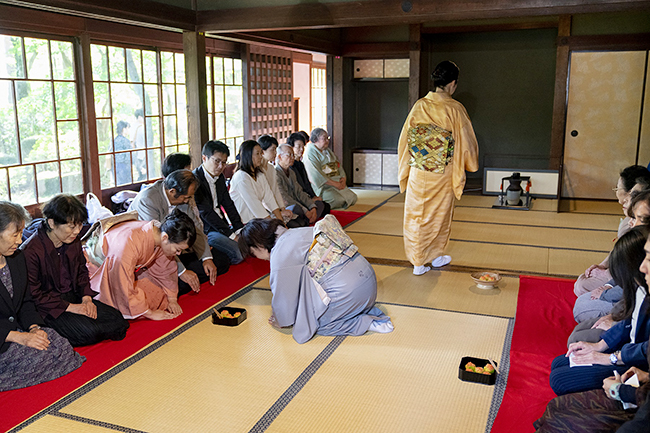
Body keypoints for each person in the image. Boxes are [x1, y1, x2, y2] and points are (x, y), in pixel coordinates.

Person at [238, 217, 393, 344]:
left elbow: (283, 296)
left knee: (315, 325)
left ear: (258, 245)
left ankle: (365, 323)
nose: (260, 259)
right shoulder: (302, 231)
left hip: (350, 293)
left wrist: (280, 319)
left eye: (254, 254)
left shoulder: (279, 254)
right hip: (370, 284)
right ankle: (365, 311)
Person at [397, 60, 479, 276]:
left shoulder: (419, 105)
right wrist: (470, 163)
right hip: (442, 172)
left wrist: (406, 165)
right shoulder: (455, 109)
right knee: (438, 216)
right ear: (452, 83)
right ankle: (431, 255)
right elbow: (467, 143)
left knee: (416, 215)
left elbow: (405, 139)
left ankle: (419, 261)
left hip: (419, 169)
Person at [549, 225, 650, 396]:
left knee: (559, 379)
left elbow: (645, 349)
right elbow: (628, 322)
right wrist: (600, 345)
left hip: (636, 363)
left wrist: (608, 358)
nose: (643, 266)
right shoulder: (641, 286)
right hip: (625, 352)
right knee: (559, 363)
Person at [21, 195, 129, 346]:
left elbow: (81, 272)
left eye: (79, 225)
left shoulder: (73, 241)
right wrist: (73, 308)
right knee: (89, 332)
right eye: (72, 227)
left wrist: (86, 299)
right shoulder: (31, 251)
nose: (77, 231)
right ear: (52, 223)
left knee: (117, 318)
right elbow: (35, 295)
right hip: (49, 307)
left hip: (73, 296)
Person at [0, 201, 84, 391]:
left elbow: (26, 302)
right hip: (4, 338)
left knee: (59, 345)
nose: (20, 241)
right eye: (15, 235)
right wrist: (18, 338)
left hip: (18, 329)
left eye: (21, 234)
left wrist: (34, 327)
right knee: (39, 357)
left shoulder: (16, 258)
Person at [128, 169, 228, 295]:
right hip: (152, 255)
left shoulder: (180, 198)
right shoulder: (148, 200)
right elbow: (161, 242)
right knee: (177, 281)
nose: (187, 201)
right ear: (172, 191)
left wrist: (206, 258)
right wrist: (182, 271)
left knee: (221, 260)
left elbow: (194, 228)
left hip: (176, 249)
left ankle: (184, 278)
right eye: (186, 198)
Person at [89, 209, 196, 321]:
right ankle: (137, 310)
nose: (178, 254)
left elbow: (166, 270)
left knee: (162, 296)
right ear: (165, 237)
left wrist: (172, 298)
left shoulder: (158, 237)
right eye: (178, 249)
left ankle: (139, 308)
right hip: (102, 272)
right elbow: (121, 281)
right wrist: (150, 313)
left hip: (127, 271)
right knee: (119, 314)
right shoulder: (129, 243)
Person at [535, 338, 650, 432]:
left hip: (637, 399)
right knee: (555, 405)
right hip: (637, 388)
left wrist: (619, 390)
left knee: (557, 421)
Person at [574, 166, 650, 297]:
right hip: (621, 273)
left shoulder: (639, 227)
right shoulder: (630, 219)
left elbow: (632, 274)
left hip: (628, 281)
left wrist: (607, 288)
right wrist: (603, 265)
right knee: (582, 286)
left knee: (581, 291)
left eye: (617, 188)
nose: (625, 199)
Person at [193, 140, 245, 265]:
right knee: (239, 254)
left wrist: (239, 229)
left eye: (224, 162)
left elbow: (228, 204)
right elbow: (206, 213)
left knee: (250, 240)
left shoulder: (220, 177)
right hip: (207, 230)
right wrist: (232, 236)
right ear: (204, 158)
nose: (221, 166)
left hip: (222, 225)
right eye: (216, 161)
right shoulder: (195, 180)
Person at [229, 140, 288, 224]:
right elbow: (254, 204)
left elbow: (269, 197)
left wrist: (281, 221)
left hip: (257, 220)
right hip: (244, 223)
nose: (261, 156)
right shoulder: (241, 176)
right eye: (257, 154)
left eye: (261, 153)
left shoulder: (259, 174)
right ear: (248, 155)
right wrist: (273, 224)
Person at [304, 128, 358, 210]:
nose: (327, 141)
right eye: (324, 138)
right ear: (315, 140)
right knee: (338, 200)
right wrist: (335, 184)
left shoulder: (327, 151)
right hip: (323, 187)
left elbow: (338, 165)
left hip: (336, 183)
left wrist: (343, 178)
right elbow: (315, 175)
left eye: (327, 138)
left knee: (353, 197)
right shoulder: (310, 153)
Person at [258, 135, 305, 228]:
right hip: (266, 211)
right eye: (272, 150)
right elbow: (264, 199)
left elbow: (276, 191)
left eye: (275, 150)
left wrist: (283, 209)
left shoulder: (271, 168)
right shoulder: (258, 171)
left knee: (301, 223)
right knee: (295, 225)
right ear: (262, 151)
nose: (275, 153)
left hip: (277, 208)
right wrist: (279, 213)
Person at [275, 144, 321, 224]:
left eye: (293, 155)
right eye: (289, 155)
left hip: (298, 204)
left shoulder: (292, 172)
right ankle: (306, 219)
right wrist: (305, 210)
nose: (293, 158)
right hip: (287, 207)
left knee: (319, 204)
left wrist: (312, 206)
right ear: (280, 157)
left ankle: (308, 218)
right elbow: (284, 198)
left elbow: (299, 192)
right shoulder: (275, 173)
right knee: (296, 209)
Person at [287, 132, 330, 217]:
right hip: (299, 199)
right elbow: (298, 188)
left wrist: (314, 196)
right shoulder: (290, 166)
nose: (301, 149)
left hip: (306, 197)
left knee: (326, 206)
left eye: (303, 146)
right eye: (298, 146)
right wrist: (310, 199)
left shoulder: (301, 164)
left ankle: (311, 214)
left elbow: (307, 184)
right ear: (291, 147)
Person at [114, 120, 133, 186]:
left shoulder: (114, 140)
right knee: (127, 185)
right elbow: (130, 156)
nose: (128, 130)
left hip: (116, 166)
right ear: (124, 129)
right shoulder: (125, 141)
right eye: (128, 128)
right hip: (124, 167)